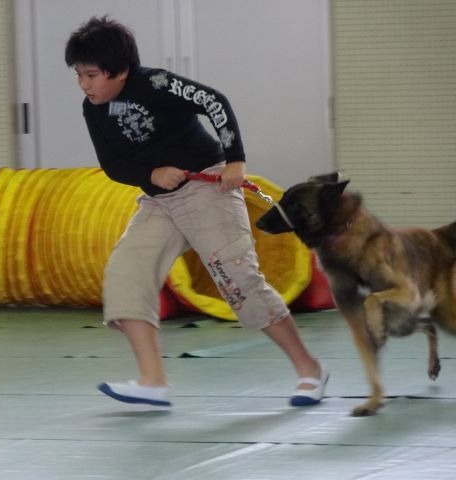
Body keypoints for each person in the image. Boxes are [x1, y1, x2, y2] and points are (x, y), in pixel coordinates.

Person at [65, 16, 328, 407]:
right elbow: (114, 165)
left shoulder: (156, 84)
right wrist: (151, 174)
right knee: (126, 272)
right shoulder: (94, 110)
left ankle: (310, 370)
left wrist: (235, 160)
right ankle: (153, 381)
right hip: (159, 202)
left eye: (91, 75)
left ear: (119, 71)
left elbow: (213, 102)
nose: (84, 85)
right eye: (79, 75)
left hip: (208, 189)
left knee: (239, 281)